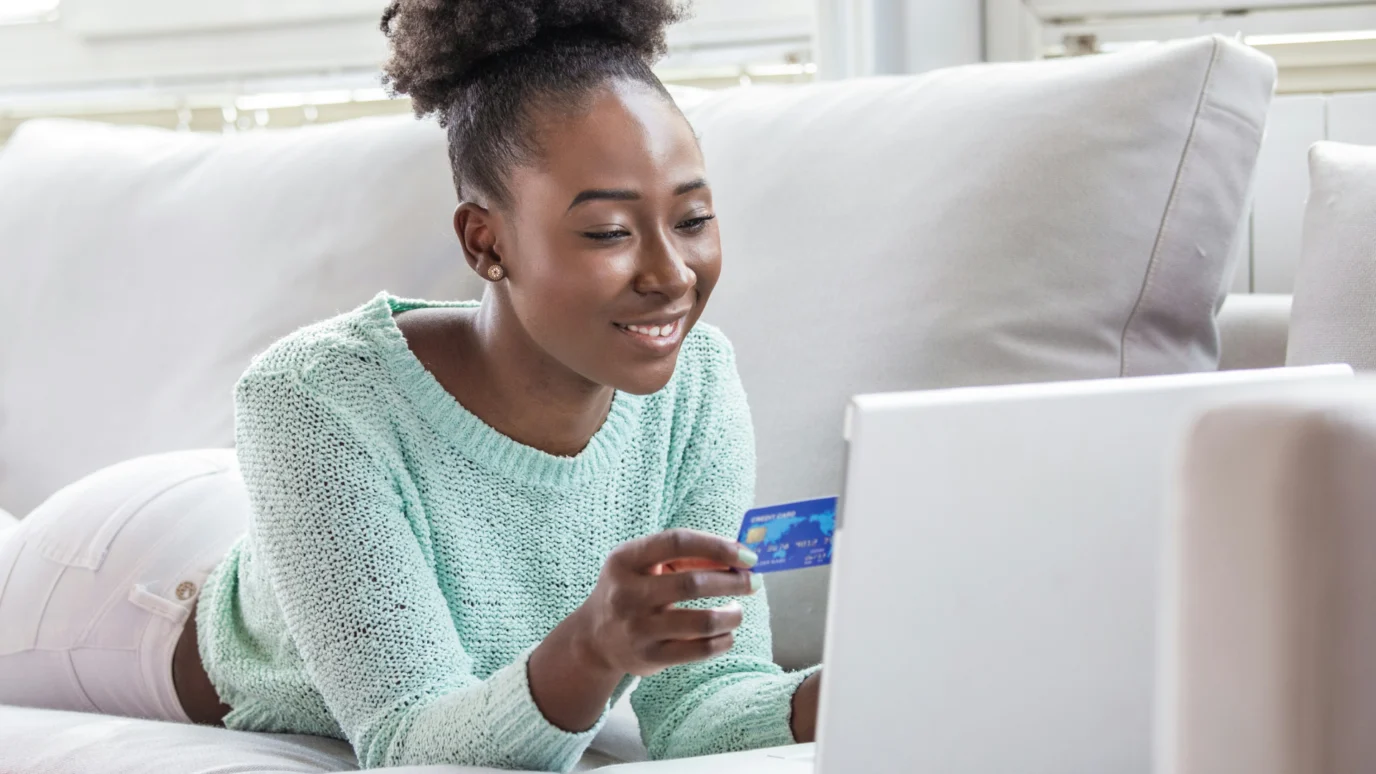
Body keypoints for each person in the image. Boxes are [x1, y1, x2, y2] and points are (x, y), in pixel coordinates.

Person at [0, 0, 823, 770]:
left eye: (691, 218)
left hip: (273, 518)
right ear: (484, 242)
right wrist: (591, 650)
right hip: (116, 592)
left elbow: (706, 703)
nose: (672, 273)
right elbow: (407, 741)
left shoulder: (700, 384)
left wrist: (855, 687)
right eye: (607, 231)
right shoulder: (312, 398)